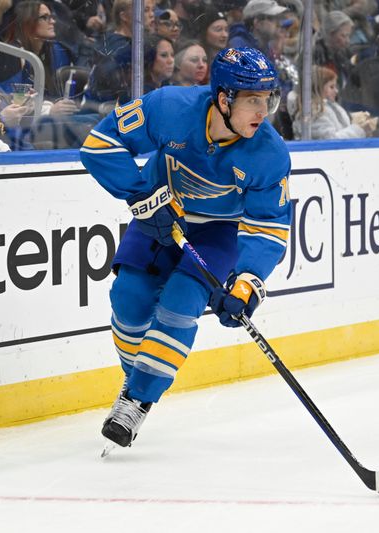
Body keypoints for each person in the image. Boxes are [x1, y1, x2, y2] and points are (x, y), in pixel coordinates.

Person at [79, 47, 291, 449]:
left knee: (179, 305)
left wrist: (247, 282)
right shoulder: (169, 107)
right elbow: (99, 143)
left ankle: (136, 401)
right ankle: (137, 379)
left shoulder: (269, 153)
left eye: (267, 100)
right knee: (128, 300)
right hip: (159, 217)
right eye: (252, 100)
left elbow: (269, 226)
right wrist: (146, 195)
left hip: (216, 233)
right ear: (224, 98)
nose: (262, 112)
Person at [291, 65, 377, 139]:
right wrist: (359, 130)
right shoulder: (313, 112)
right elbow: (330, 140)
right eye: (331, 87)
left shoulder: (332, 107)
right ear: (318, 88)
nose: (336, 91)